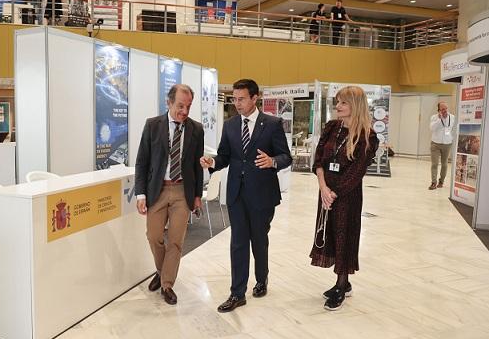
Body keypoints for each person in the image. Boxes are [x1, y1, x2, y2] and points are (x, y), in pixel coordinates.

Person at [200, 79, 292, 313]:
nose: (237, 103)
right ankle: (237, 293)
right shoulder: (230, 125)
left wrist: (272, 162)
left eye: (241, 99)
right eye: (234, 99)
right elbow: (224, 156)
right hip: (237, 194)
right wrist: (212, 163)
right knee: (238, 242)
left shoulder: (272, 124)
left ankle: (262, 279)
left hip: (262, 194)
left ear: (254, 98)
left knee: (259, 240)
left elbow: (286, 156)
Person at [309, 86, 379, 311]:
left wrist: (334, 193)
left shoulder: (367, 136)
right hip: (326, 191)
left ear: (355, 106)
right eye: (337, 102)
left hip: (347, 196)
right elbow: (319, 158)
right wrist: (323, 188)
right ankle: (344, 282)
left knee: (344, 236)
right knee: (329, 233)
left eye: (343, 103)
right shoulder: (332, 127)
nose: (337, 106)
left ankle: (341, 284)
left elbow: (356, 172)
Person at [135, 84, 204, 305]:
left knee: (176, 241)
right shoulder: (152, 125)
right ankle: (161, 270)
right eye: (180, 106)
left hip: (183, 191)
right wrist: (140, 194)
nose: (184, 111)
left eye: (188, 106)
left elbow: (196, 165)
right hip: (158, 190)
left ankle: (167, 284)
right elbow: (142, 162)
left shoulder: (196, 129)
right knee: (153, 236)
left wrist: (197, 195)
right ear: (169, 102)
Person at [429, 102, 455, 190]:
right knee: (434, 164)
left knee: (444, 164)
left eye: (446, 108)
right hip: (435, 143)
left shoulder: (452, 117)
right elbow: (432, 128)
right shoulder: (434, 117)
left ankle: (441, 181)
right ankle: (433, 182)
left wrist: (452, 139)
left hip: (447, 144)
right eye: (443, 109)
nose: (445, 111)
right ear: (439, 110)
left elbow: (453, 130)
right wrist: (439, 120)